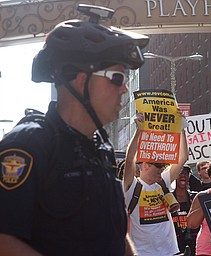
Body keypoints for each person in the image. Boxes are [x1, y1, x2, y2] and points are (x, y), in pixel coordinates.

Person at [0, 5, 149, 256]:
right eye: (117, 78)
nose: (124, 89)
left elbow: (114, 234)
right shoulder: (28, 146)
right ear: (82, 81)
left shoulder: (101, 146)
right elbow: (4, 241)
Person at [123, 112, 188, 256]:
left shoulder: (163, 182)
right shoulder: (133, 186)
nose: (163, 168)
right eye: (158, 165)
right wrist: (138, 131)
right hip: (142, 252)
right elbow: (129, 160)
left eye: (164, 165)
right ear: (145, 165)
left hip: (170, 251)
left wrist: (182, 129)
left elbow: (183, 158)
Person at [172, 165, 198, 256]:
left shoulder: (195, 197)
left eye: (186, 174)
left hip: (193, 238)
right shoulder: (168, 197)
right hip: (175, 240)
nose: (183, 176)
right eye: (180, 173)